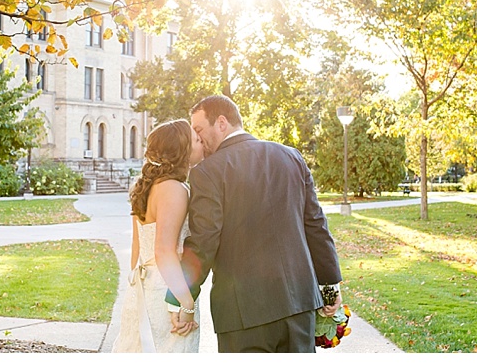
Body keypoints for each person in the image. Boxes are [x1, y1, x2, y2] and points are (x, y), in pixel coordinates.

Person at [166, 95, 343, 353]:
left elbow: (204, 242)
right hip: (298, 306)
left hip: (243, 316)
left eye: (199, 129)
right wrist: (330, 287)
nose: (198, 138)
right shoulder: (291, 157)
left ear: (222, 123)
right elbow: (316, 225)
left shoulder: (207, 172)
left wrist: (179, 299)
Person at [112, 119, 205, 352]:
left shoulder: (145, 187)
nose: (200, 141)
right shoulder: (174, 189)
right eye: (195, 139)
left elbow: (137, 250)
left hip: (143, 287)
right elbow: (163, 251)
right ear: (181, 149)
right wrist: (186, 304)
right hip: (167, 290)